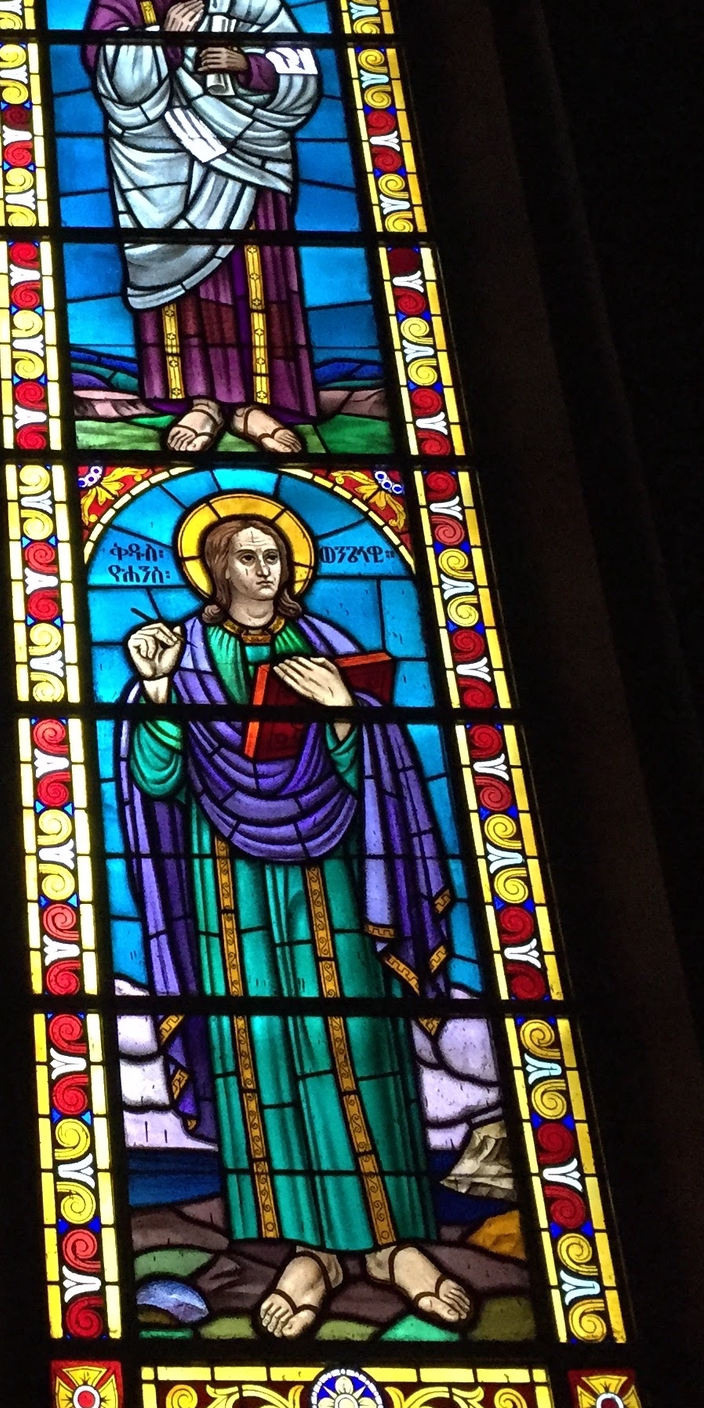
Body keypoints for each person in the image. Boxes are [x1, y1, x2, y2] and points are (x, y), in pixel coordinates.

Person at [115, 506, 473, 1336]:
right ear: (216, 568)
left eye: (275, 553)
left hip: (335, 875)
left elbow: (376, 766)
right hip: (228, 885)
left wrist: (345, 711)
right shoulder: (180, 655)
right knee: (261, 1048)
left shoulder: (325, 653)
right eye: (247, 555)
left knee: (358, 1038)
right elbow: (158, 780)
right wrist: (162, 690)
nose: (265, 568)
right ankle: (306, 1251)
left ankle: (392, 1245)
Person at [84, 0, 323, 454]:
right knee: (183, 283)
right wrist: (162, 39)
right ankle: (200, 401)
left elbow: (301, 59)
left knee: (257, 274)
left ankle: (255, 407)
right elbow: (108, 71)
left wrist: (250, 65)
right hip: (161, 161)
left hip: (248, 156)